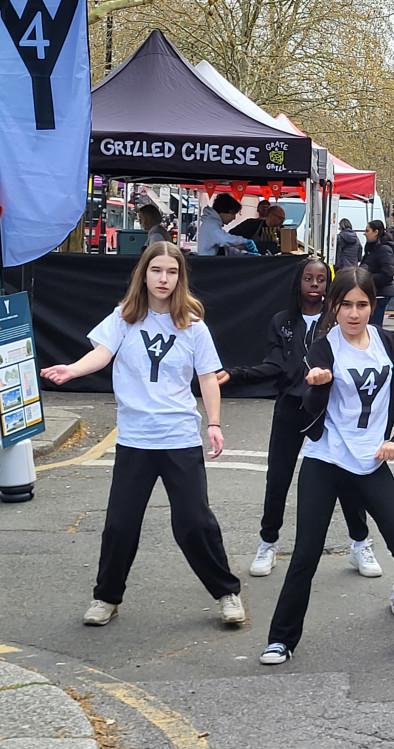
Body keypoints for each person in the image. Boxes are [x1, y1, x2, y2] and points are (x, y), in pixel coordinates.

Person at [40, 242, 245, 627]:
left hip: (179, 437)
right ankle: (106, 598)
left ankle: (226, 592)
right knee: (120, 523)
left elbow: (208, 378)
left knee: (194, 522)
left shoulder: (193, 326)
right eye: (156, 271)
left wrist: (214, 423)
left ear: (180, 277)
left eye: (171, 272)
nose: (163, 279)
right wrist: (72, 370)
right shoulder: (124, 318)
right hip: (136, 438)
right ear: (144, 275)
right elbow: (101, 354)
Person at [259, 267, 394, 664]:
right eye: (345, 304)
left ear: (372, 305)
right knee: (306, 553)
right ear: (334, 306)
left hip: (371, 461)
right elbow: (310, 412)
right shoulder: (323, 347)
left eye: (362, 304)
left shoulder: (391, 345)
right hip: (326, 459)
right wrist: (318, 386)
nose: (353, 313)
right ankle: (281, 639)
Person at [216, 258, 381, 578]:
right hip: (291, 408)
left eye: (321, 279)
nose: (315, 284)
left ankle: (360, 543)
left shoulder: (337, 321)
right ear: (298, 282)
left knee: (347, 478)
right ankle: (268, 542)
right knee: (278, 478)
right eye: (309, 278)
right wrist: (237, 374)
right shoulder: (282, 321)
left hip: (329, 410)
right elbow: (274, 364)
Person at [361, 219, 394, 328]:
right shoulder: (371, 247)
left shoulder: (384, 249)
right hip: (373, 292)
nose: (364, 233)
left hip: (380, 293)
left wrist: (367, 277)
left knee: (374, 327)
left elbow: (387, 274)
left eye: (367, 231)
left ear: (376, 232)